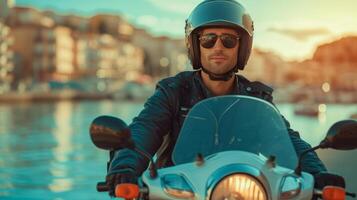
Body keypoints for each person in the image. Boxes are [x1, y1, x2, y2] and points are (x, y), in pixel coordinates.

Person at [106, 0, 343, 196]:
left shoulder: (257, 97)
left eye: (229, 40)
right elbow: (144, 129)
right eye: (208, 39)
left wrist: (317, 172)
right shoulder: (174, 91)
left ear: (242, 48)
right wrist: (125, 166)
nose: (218, 47)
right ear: (196, 46)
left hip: (245, 190)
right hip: (182, 193)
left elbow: (288, 140)